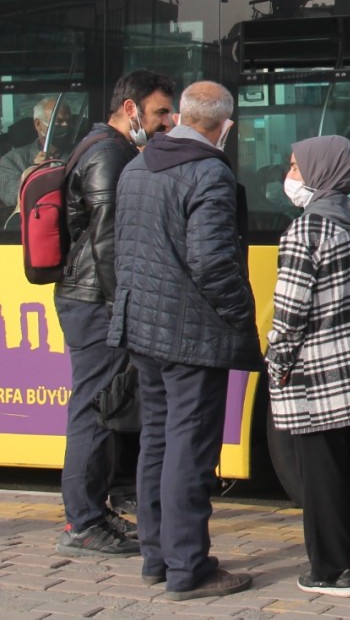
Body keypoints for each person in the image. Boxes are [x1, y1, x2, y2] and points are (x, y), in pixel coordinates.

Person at [108, 81, 258, 601]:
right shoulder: (209, 173)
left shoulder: (136, 166)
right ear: (224, 126)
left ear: (181, 117)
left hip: (143, 329)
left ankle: (157, 555)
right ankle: (188, 567)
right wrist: (241, 317)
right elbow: (213, 263)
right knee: (190, 451)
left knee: (156, 440)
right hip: (192, 335)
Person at [53, 72, 176, 558]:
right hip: (95, 303)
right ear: (131, 110)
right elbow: (109, 246)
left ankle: (93, 510)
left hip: (95, 299)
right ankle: (81, 521)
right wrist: (123, 309)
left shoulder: (111, 149)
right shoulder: (108, 155)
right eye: (160, 112)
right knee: (93, 408)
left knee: (104, 407)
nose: (168, 122)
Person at [266, 136, 350, 597]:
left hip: (319, 381)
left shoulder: (307, 231)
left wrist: (276, 363)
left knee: (321, 479)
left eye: (297, 168)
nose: (291, 176)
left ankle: (332, 570)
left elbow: (288, 315)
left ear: (322, 172)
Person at [0, 96, 73, 211]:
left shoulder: (78, 153)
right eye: (58, 122)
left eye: (68, 122)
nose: (66, 127)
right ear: (38, 124)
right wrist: (34, 173)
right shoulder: (11, 160)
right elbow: (10, 196)